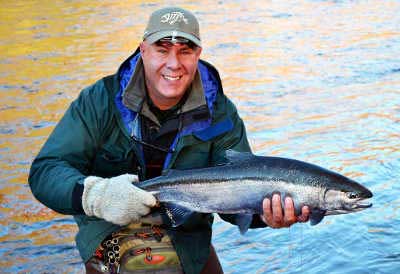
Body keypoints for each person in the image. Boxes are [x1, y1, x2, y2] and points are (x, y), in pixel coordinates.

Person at [28, 6, 310, 274]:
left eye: (185, 51)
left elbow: (236, 198)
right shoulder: (99, 101)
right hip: (108, 226)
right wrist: (94, 196)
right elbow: (46, 171)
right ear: (142, 49)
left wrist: (266, 215)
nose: (173, 64)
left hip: (186, 235)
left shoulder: (221, 113)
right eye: (162, 49)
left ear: (198, 54)